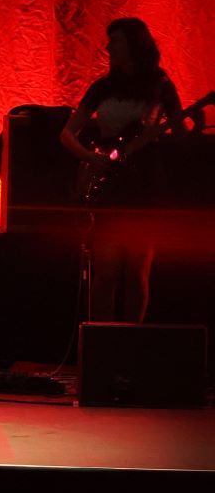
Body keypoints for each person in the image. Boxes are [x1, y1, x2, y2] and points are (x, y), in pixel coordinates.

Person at [58, 17, 180, 322]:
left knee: (139, 269)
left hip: (146, 183)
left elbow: (180, 133)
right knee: (107, 269)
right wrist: (90, 156)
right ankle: (101, 340)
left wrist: (185, 127)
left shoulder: (161, 85)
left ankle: (131, 342)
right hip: (111, 181)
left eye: (116, 41)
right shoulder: (103, 86)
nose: (109, 47)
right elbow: (67, 133)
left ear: (134, 45)